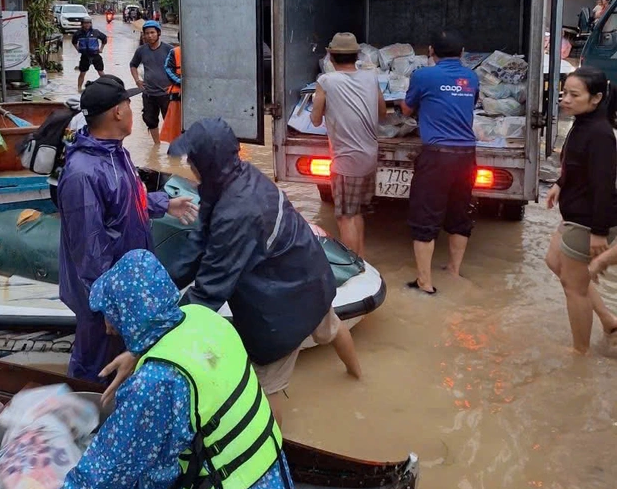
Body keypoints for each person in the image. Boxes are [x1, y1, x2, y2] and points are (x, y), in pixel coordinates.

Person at [0, 250, 295, 489]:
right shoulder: (203, 318)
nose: (107, 324)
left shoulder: (155, 385)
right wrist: (139, 353)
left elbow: (98, 481)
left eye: (112, 313)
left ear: (129, 313)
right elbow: (183, 346)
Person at [104, 117, 361, 426]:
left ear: (207, 164)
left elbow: (207, 295)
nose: (189, 166)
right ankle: (358, 379)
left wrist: (144, 345)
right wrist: (157, 292)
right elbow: (198, 245)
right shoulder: (238, 177)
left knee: (265, 388)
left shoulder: (236, 213)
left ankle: (272, 449)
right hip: (310, 275)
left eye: (192, 160)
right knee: (331, 326)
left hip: (282, 303)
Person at [57, 75, 197, 380]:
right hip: (103, 294)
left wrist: (164, 204)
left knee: (124, 361)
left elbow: (125, 203)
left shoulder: (115, 152)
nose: (132, 111)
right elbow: (89, 249)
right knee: (95, 363)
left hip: (127, 286)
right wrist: (108, 304)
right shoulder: (82, 173)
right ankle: (83, 404)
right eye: (128, 105)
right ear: (117, 112)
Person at [544, 66, 617, 354]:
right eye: (564, 93)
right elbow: (576, 163)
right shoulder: (583, 122)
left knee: (574, 288)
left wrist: (599, 232)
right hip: (575, 213)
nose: (565, 100)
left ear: (596, 98)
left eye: (574, 95)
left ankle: (579, 354)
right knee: (554, 261)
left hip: (588, 221)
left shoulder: (600, 134)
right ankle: (609, 321)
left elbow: (604, 185)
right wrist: (560, 183)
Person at [401, 30, 478, 294]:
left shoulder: (423, 75)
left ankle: (425, 283)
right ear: (462, 53)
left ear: (431, 51)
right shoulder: (471, 77)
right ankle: (454, 272)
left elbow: (407, 109)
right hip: (467, 156)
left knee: (425, 217)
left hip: (436, 156)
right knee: (459, 213)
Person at [311, 32, 386, 257]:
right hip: (369, 157)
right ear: (357, 56)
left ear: (331, 56)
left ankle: (353, 266)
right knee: (356, 213)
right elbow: (382, 113)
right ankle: (360, 260)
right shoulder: (371, 77)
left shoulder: (326, 81)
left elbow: (315, 120)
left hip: (346, 162)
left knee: (345, 217)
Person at [130, 21, 174, 145]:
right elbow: (133, 65)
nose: (150, 36)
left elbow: (179, 68)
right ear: (143, 35)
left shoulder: (169, 49)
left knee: (170, 121)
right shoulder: (141, 51)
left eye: (152, 33)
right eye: (147, 33)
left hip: (167, 93)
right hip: (149, 93)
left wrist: (176, 85)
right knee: (150, 121)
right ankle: (157, 145)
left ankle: (172, 147)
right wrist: (137, 80)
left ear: (158, 33)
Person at [71, 16, 107, 93]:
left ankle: (107, 87)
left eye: (89, 23)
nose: (87, 25)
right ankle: (79, 89)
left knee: (101, 73)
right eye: (85, 23)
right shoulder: (78, 33)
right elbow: (74, 42)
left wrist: (101, 49)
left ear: (91, 24)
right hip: (85, 56)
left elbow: (104, 39)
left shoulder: (95, 32)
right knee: (82, 73)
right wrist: (78, 49)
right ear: (82, 24)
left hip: (95, 55)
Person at [160, 39, 182, 144]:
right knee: (174, 131)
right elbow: (168, 69)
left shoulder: (204, 52)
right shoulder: (175, 52)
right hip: (177, 97)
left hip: (199, 97)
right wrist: (182, 83)